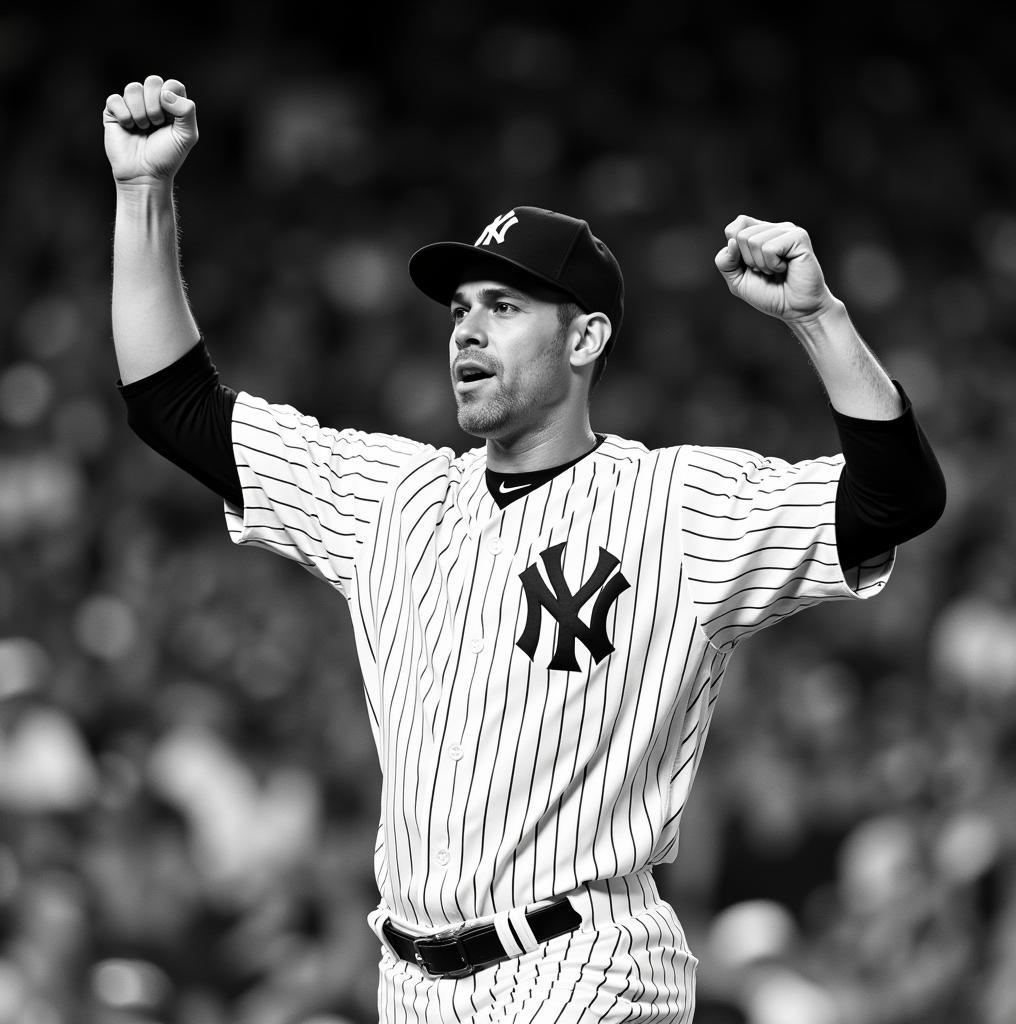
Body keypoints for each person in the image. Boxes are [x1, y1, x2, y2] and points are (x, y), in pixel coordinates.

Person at [103, 74, 945, 1023]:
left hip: (585, 964)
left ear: (585, 338)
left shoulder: (675, 503)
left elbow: (895, 497)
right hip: (408, 979)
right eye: (460, 306)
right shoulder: (394, 494)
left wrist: (819, 321)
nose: (466, 327)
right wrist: (144, 193)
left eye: (504, 306)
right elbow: (173, 406)